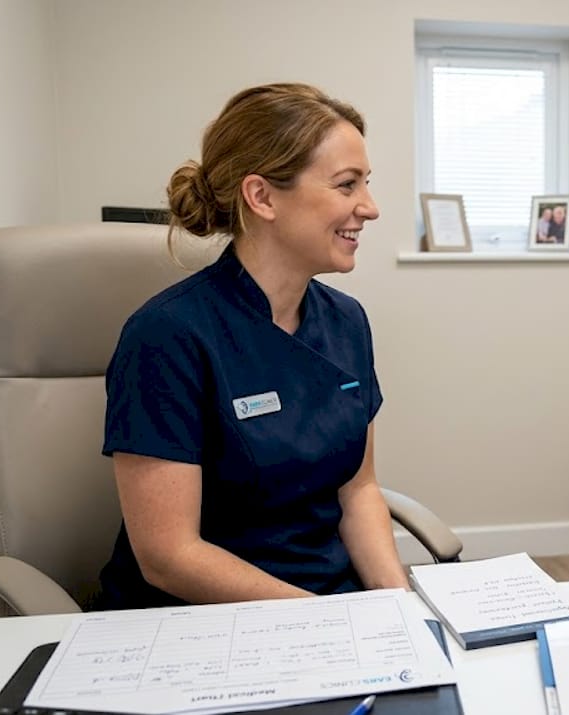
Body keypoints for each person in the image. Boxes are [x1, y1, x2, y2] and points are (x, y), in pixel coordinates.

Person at [96, 83, 409, 609]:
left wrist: (397, 609)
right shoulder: (168, 336)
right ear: (261, 196)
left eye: (366, 184)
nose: (370, 208)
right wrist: (323, 624)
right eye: (346, 185)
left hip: (332, 606)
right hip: (202, 624)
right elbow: (168, 554)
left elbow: (358, 492)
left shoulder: (347, 322)